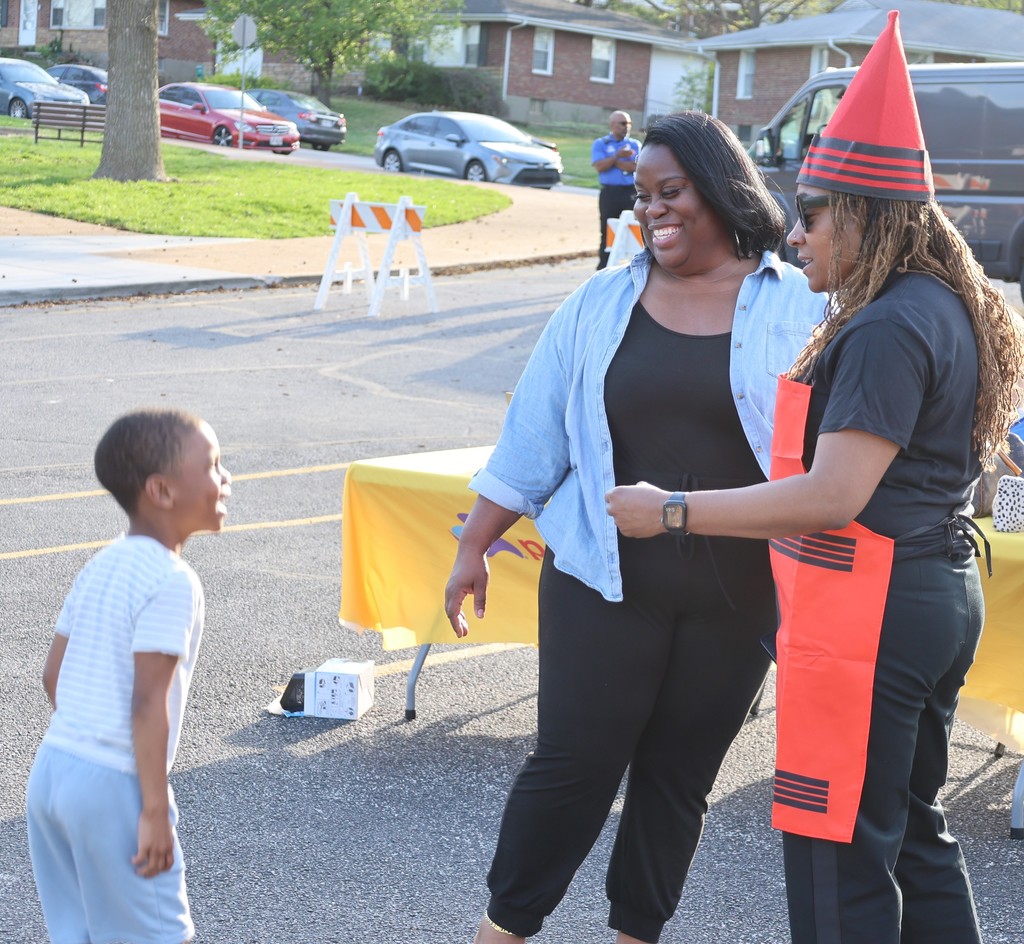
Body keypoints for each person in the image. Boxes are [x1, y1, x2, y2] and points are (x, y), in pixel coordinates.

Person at [606, 14, 1024, 944]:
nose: (796, 235)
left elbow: (835, 494)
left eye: (814, 214)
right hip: (937, 590)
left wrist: (672, 511)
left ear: (869, 214)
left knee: (834, 842)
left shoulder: (881, 328)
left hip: (872, 601)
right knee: (913, 832)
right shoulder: (944, 304)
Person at [444, 112, 826, 943]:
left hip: (739, 597)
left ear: (722, 191)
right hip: (601, 579)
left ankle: (634, 934)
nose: (651, 210)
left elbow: (836, 450)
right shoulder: (600, 300)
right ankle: (502, 930)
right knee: (572, 768)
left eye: (671, 192)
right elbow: (532, 438)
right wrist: (475, 544)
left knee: (677, 780)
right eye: (644, 195)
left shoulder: (800, 305)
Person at [26, 408, 232, 944]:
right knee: (160, 935)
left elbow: (55, 675)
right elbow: (148, 703)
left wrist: (85, 734)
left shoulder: (101, 563)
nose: (225, 478)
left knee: (80, 933)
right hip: (113, 784)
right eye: (212, 465)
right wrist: (155, 810)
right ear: (161, 491)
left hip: (54, 771)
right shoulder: (172, 579)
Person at [592, 110, 642, 270]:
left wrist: (613, 162)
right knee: (607, 229)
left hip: (630, 192)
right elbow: (599, 166)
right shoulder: (601, 144)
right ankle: (604, 267)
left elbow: (637, 166)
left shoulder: (635, 144)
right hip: (610, 193)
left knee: (636, 229)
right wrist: (618, 156)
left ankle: (635, 266)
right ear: (612, 125)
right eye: (622, 123)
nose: (626, 127)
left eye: (628, 124)